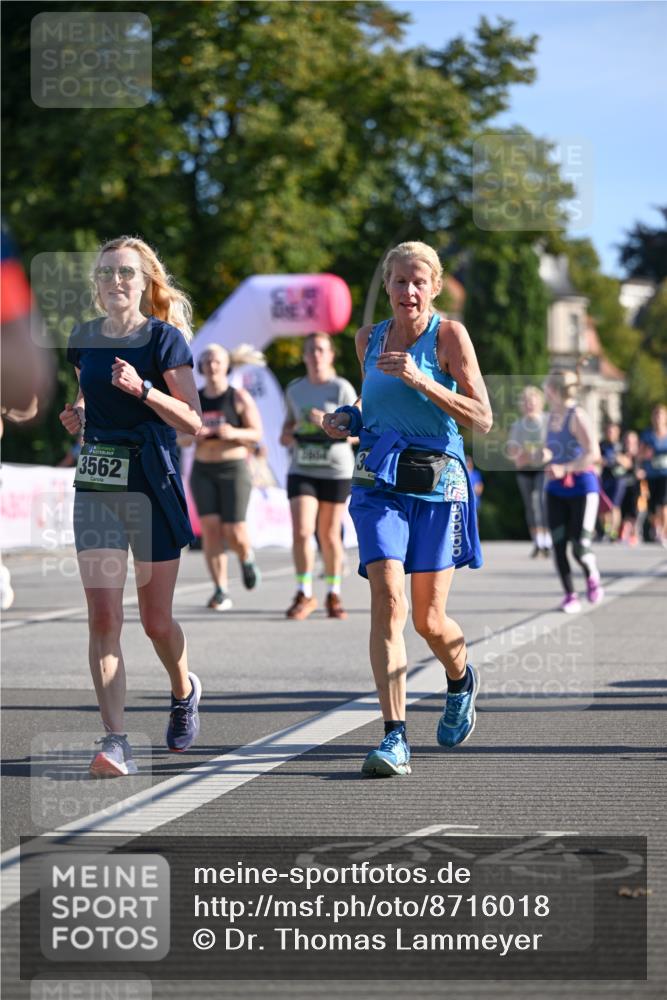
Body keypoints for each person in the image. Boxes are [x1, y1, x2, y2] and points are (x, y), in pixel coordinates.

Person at [323, 241, 491, 777]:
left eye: (419, 281)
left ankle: (461, 678)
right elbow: (373, 404)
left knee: (429, 620)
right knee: (388, 599)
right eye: (399, 281)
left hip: (438, 485)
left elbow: (482, 418)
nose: (408, 291)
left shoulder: (448, 336)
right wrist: (347, 417)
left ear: (435, 287)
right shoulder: (367, 338)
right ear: (388, 286)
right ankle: (394, 736)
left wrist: (422, 380)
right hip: (379, 484)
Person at [60, 235, 203, 777]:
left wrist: (144, 390)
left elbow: (192, 420)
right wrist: (76, 414)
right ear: (96, 284)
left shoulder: (164, 341)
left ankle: (183, 688)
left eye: (126, 273)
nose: (115, 282)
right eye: (106, 273)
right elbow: (87, 393)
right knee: (103, 617)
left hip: (150, 483)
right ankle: (115, 738)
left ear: (145, 283)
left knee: (155, 621)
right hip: (97, 485)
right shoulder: (83, 339)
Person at [280, 332, 358, 620]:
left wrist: (327, 424)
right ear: (304, 356)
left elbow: (357, 433)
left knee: (328, 534)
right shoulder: (295, 389)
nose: (315, 356)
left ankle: (333, 594)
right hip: (302, 467)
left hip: (335, 469)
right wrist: (288, 434)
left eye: (321, 350)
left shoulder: (341, 389)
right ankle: (305, 592)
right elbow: (286, 428)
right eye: (310, 350)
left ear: (331, 355)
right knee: (302, 531)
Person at [182, 344, 263, 611]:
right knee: (211, 531)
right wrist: (196, 434)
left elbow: (256, 434)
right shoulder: (194, 400)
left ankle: (246, 556)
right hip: (203, 469)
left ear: (226, 365)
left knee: (234, 530)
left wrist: (234, 433)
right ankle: (220, 590)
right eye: (206, 361)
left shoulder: (237, 397)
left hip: (233, 468)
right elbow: (180, 438)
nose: (211, 365)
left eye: (216, 360)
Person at [543, 370, 604, 613]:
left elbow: (594, 454)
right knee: (558, 545)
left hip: (582, 487)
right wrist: (533, 456)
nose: (545, 392)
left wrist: (565, 468)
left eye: (548, 388)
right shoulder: (551, 417)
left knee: (580, 547)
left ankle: (592, 573)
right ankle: (570, 596)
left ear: (556, 391)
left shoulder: (577, 415)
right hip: (556, 489)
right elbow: (551, 451)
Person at [507, 386, 551, 557]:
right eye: (526, 403)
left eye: (533, 402)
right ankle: (537, 541)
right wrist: (520, 454)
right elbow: (512, 449)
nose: (530, 405)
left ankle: (547, 540)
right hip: (525, 468)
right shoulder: (518, 425)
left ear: (540, 403)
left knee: (542, 501)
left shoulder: (547, 421)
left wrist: (545, 453)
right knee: (530, 506)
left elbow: (553, 445)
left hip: (543, 468)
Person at [640, 403, 667, 547]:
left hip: (665, 474)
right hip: (651, 474)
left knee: (663, 502)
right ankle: (655, 527)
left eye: (661, 415)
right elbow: (641, 454)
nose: (658, 418)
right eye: (656, 415)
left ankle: (664, 532)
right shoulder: (647, 435)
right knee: (652, 504)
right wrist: (644, 456)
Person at [599, 421, 629, 541]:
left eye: (613, 431)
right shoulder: (601, 445)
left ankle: (613, 532)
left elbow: (628, 462)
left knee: (615, 506)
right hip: (605, 477)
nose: (610, 433)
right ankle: (606, 530)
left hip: (619, 478)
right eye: (608, 431)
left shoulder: (622, 445)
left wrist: (619, 458)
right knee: (604, 506)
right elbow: (596, 459)